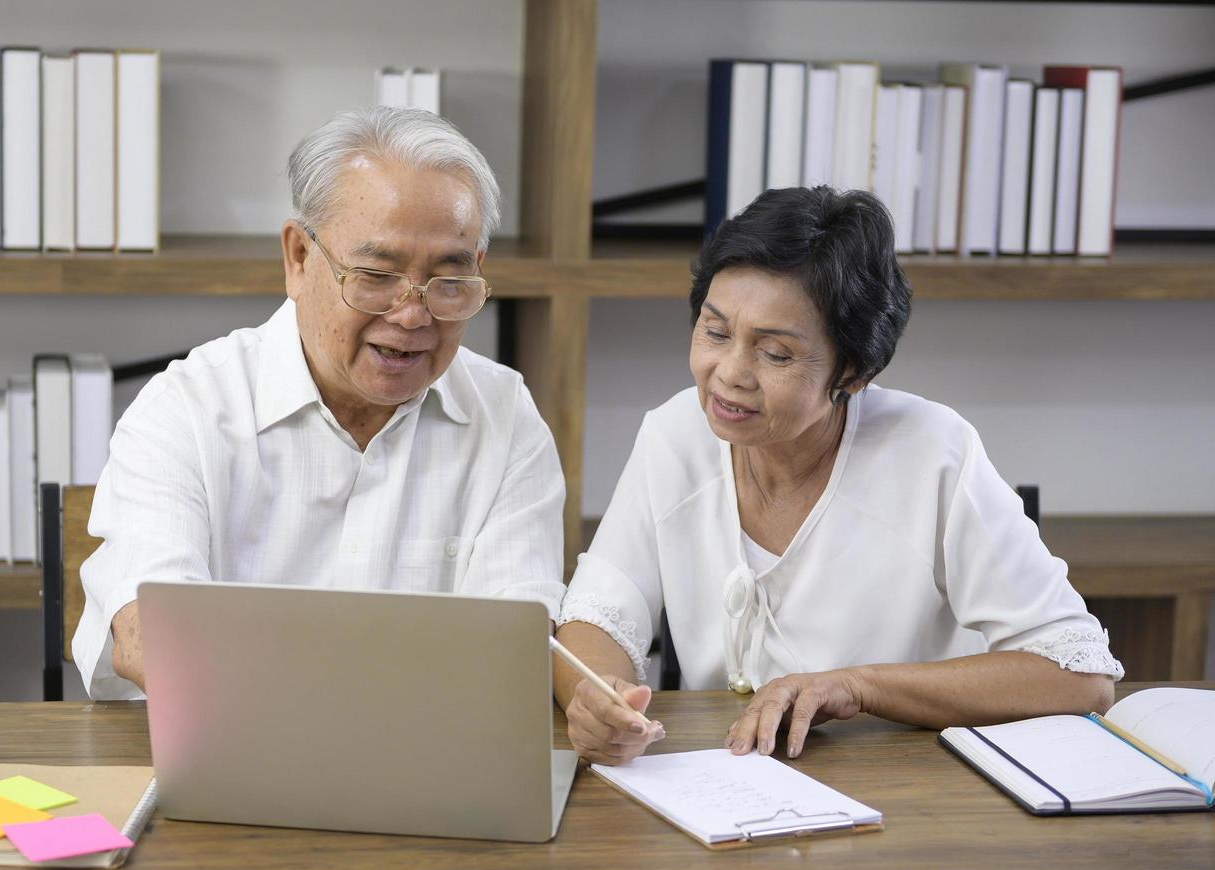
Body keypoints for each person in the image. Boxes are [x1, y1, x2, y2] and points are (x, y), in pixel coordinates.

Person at [554, 186, 1121, 765]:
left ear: (853, 372)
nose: (729, 374)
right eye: (715, 332)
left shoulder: (935, 453)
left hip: (912, 791)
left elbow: (1078, 672)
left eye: (775, 354)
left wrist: (857, 687)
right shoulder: (673, 435)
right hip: (726, 783)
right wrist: (601, 698)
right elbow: (597, 615)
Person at [73, 106, 565, 698]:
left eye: (447, 280)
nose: (412, 315)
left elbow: (516, 643)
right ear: (299, 259)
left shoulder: (505, 416)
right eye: (376, 275)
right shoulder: (188, 407)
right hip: (223, 752)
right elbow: (148, 632)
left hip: (426, 769)